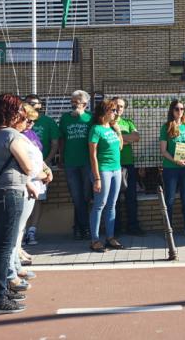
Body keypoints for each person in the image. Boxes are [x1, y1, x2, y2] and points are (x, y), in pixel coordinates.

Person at [0, 93, 37, 315]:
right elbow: (28, 166)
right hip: (10, 193)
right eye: (17, 110)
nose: (20, 114)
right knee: (5, 246)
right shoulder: (10, 135)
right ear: (10, 112)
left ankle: (1, 292)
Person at [7, 103, 52, 293]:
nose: (30, 124)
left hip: (33, 184)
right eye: (27, 120)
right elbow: (21, 165)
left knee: (20, 229)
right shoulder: (14, 137)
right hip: (24, 185)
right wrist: (39, 175)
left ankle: (16, 266)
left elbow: (37, 157)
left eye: (33, 121)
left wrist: (46, 168)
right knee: (14, 232)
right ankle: (11, 273)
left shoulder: (29, 135)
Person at [88, 99, 124, 252]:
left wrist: (118, 131)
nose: (116, 113)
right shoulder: (96, 130)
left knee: (112, 205)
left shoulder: (111, 128)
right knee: (99, 205)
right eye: (113, 110)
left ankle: (110, 237)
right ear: (105, 112)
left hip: (116, 169)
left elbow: (120, 147)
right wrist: (96, 178)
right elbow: (93, 155)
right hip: (103, 170)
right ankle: (95, 240)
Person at [159, 99, 185, 239]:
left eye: (182, 109)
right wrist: (176, 160)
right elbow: (163, 151)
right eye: (176, 109)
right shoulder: (166, 127)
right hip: (170, 169)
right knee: (169, 200)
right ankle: (168, 230)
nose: (179, 111)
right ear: (172, 110)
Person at [23, 94, 58, 246]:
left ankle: (32, 231)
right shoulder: (17, 126)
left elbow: (54, 144)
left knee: (37, 200)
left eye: (35, 104)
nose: (30, 123)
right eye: (29, 103)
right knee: (23, 201)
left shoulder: (48, 122)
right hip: (23, 172)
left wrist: (46, 164)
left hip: (40, 172)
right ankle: (21, 233)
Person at [59, 90, 93, 240]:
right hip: (70, 162)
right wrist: (61, 157)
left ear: (84, 104)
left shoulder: (90, 118)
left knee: (85, 196)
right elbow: (62, 139)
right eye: (72, 101)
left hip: (87, 162)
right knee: (76, 196)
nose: (73, 104)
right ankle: (83, 228)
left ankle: (79, 228)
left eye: (76, 101)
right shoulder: (65, 118)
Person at [113, 97, 144, 236]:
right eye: (117, 105)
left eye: (122, 106)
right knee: (115, 199)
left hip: (128, 164)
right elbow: (107, 139)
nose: (119, 108)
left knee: (131, 197)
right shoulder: (107, 123)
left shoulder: (128, 122)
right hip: (113, 165)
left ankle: (133, 226)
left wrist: (118, 139)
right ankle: (116, 228)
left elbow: (136, 137)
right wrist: (125, 139)